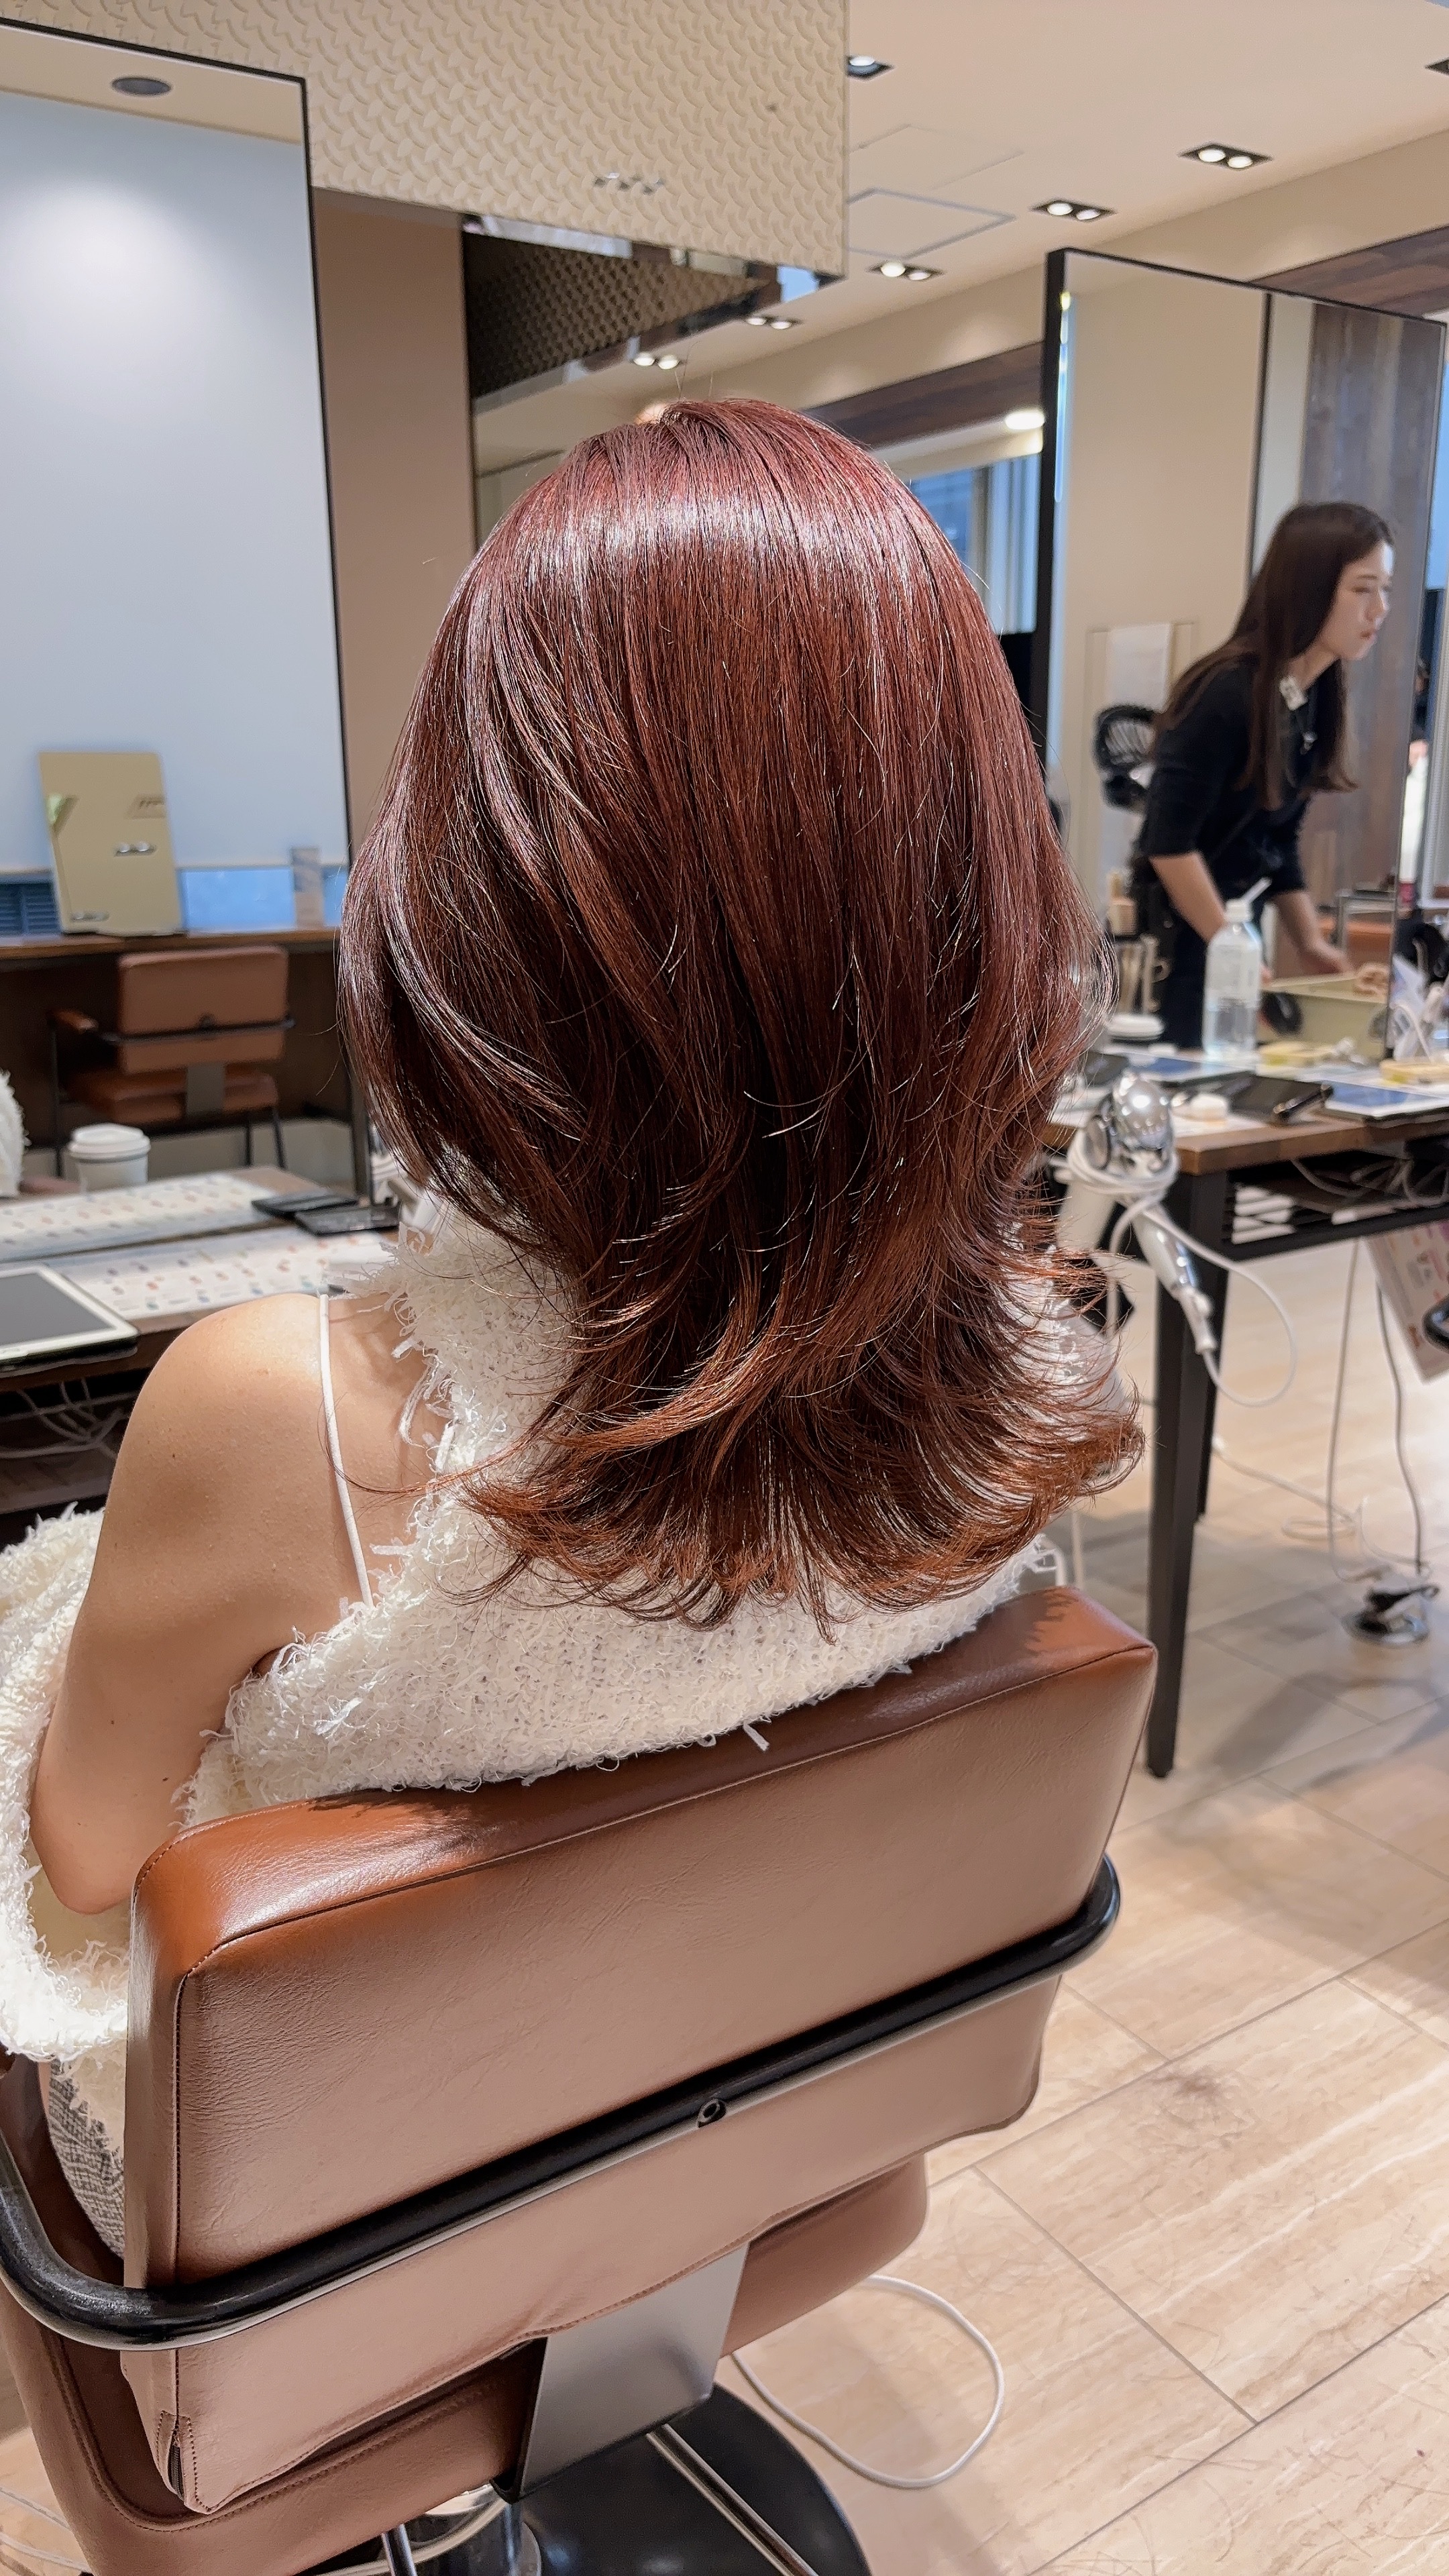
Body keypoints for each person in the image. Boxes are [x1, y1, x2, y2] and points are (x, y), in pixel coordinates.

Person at [1, 398, 1135, 2256]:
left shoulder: (286, 1416)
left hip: (338, 2248)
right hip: (765, 2140)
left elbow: (83, 1851)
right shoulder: (1031, 1371)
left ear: (480, 876)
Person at [1132, 500, 1393, 1047]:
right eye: (1363, 589)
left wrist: (1310, 943)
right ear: (1311, 587)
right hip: (1176, 947)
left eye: (1384, 590)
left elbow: (1277, 838)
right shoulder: (1223, 691)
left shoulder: (1311, 699)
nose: (1380, 609)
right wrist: (1232, 945)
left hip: (1229, 937)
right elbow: (1168, 844)